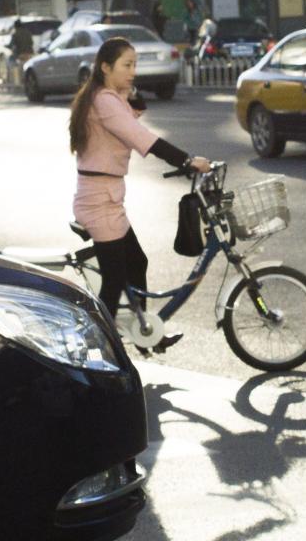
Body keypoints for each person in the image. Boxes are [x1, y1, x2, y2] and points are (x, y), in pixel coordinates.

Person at [69, 37, 210, 354]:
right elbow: (140, 137)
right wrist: (186, 161)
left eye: (135, 65)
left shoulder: (107, 97)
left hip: (107, 196)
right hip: (98, 200)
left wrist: (127, 91)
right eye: (127, 65)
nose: (134, 71)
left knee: (137, 261)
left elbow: (133, 116)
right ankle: (96, 349)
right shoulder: (103, 101)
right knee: (114, 280)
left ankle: (144, 332)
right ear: (106, 67)